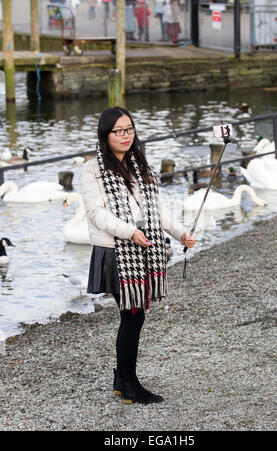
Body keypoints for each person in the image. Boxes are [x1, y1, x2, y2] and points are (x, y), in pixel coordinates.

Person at [80, 107, 196, 404]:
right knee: (133, 315)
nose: (125, 136)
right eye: (118, 131)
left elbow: (157, 212)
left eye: (129, 129)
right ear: (105, 135)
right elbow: (96, 214)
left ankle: (123, 379)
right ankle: (129, 384)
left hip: (142, 248)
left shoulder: (139, 167)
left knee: (133, 316)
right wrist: (129, 231)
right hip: (115, 251)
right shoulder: (92, 169)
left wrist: (181, 233)